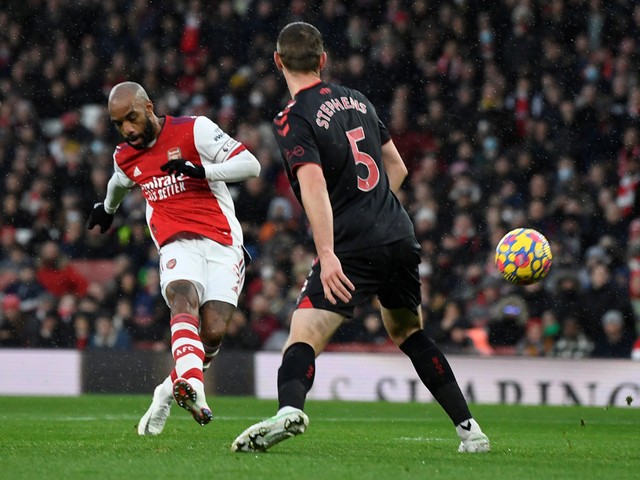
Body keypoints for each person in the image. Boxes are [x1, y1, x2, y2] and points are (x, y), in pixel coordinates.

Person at [232, 23, 489, 454]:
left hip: (352, 244)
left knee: (303, 335)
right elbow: (399, 168)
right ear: (322, 60)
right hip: (398, 232)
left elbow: (312, 186)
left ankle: (288, 410)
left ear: (278, 62)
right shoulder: (358, 100)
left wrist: (328, 252)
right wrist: (376, 210)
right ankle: (470, 430)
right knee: (409, 332)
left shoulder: (293, 117)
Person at [88, 81, 260, 434]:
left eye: (132, 118)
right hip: (175, 243)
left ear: (148, 106)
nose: (128, 129)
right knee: (182, 297)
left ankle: (168, 390)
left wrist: (204, 171)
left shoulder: (195, 129)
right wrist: (107, 209)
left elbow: (251, 165)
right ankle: (194, 388)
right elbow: (119, 182)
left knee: (212, 333)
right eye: (119, 124)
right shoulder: (126, 154)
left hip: (223, 241)